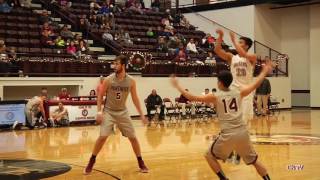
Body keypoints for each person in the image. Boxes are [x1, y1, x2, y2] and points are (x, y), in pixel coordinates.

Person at [170, 59, 273, 180]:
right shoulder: (239, 92)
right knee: (254, 160)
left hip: (228, 134)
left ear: (220, 83)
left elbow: (191, 97)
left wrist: (177, 86)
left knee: (209, 155)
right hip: (243, 132)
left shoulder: (215, 96)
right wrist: (264, 71)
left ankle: (224, 179)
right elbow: (256, 84)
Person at [84, 55, 149, 175]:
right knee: (103, 136)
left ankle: (141, 162)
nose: (115, 66)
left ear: (123, 65)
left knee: (133, 138)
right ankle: (91, 161)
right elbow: (100, 96)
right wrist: (99, 111)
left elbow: (135, 99)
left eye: (117, 64)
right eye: (114, 63)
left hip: (122, 112)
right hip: (109, 111)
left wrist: (141, 115)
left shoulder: (131, 81)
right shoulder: (108, 79)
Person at [214, 29, 258, 164]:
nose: (238, 43)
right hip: (232, 93)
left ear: (247, 45)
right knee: (229, 122)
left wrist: (233, 40)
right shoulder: (232, 57)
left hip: (246, 93)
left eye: (241, 42)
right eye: (238, 41)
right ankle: (229, 150)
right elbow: (217, 50)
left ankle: (240, 152)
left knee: (242, 124)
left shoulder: (252, 57)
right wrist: (220, 37)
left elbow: (243, 53)